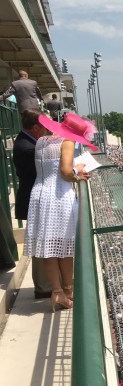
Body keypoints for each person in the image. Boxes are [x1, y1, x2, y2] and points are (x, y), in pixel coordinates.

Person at [24, 112, 96, 310]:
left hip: (39, 195)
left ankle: (57, 292)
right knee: (65, 247)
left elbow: (53, 165)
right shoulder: (67, 142)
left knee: (50, 249)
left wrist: (74, 166)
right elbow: (65, 173)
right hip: (59, 197)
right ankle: (68, 289)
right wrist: (78, 175)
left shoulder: (41, 141)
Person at [13, 109, 52, 298]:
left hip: (34, 198)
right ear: (36, 127)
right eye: (45, 127)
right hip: (33, 199)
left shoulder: (29, 142)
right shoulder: (27, 147)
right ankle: (44, 287)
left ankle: (46, 285)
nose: (47, 131)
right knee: (40, 244)